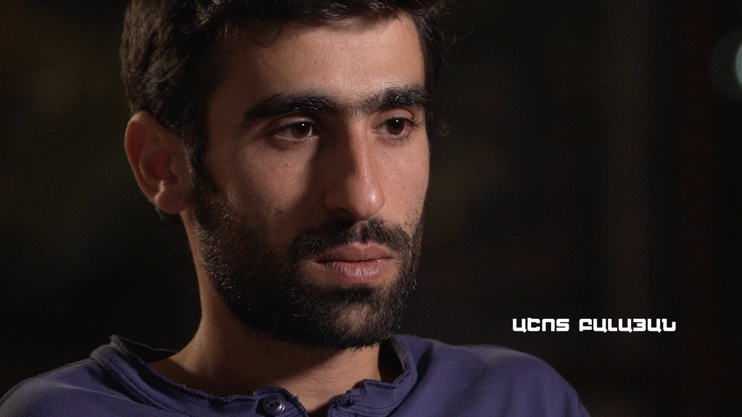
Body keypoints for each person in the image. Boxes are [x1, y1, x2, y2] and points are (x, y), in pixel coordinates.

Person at [0, 1, 589, 416]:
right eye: (298, 129)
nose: (363, 196)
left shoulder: (522, 402)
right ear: (163, 165)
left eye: (394, 124)